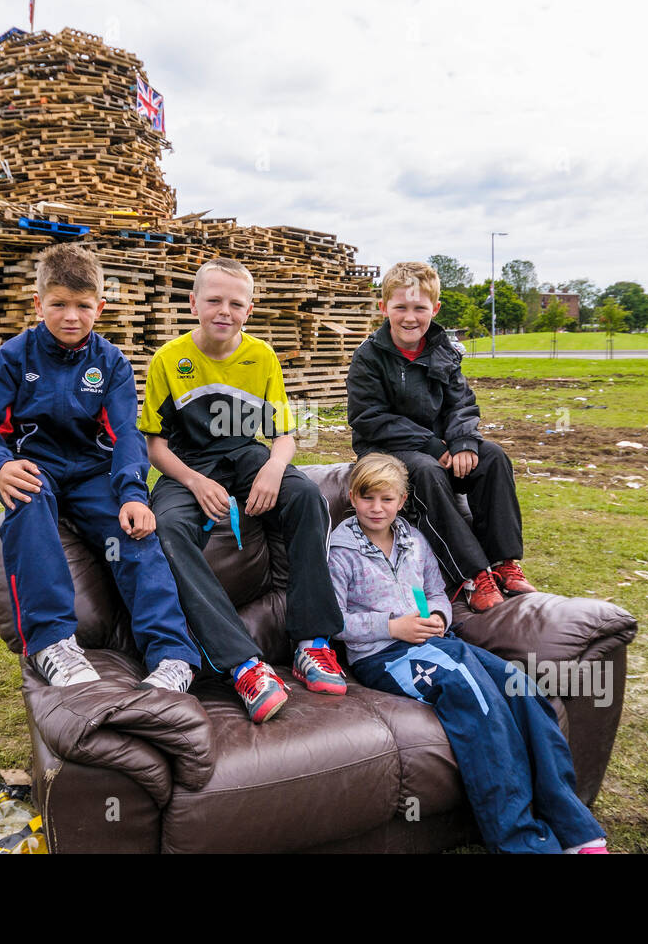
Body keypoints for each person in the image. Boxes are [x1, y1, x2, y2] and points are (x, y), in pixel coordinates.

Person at [328, 453, 608, 854]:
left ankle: (574, 825)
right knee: (475, 697)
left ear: (402, 500)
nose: (377, 508)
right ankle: (522, 843)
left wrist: (439, 615)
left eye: (386, 499)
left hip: (435, 643)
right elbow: (333, 619)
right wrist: (393, 627)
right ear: (353, 497)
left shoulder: (413, 539)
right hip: (384, 656)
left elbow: (436, 591)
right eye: (368, 498)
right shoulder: (340, 550)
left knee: (522, 687)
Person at [0, 243, 201, 692]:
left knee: (135, 531)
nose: (71, 316)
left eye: (83, 306)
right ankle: (53, 642)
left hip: (94, 472)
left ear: (100, 307)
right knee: (27, 503)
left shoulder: (111, 364)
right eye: (59, 305)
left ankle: (172, 656)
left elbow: (127, 433)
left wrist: (132, 494)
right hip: (35, 465)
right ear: (38, 304)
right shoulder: (13, 358)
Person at [140, 257, 346, 723]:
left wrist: (275, 465)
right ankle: (244, 664)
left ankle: (312, 643)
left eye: (235, 303)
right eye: (213, 300)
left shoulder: (262, 356)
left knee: (306, 496)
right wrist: (193, 481)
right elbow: (154, 444)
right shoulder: (169, 360)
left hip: (247, 454)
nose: (223, 311)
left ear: (249, 310)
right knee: (168, 527)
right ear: (193, 303)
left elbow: (284, 434)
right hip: (186, 463)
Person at [346, 260, 535, 612]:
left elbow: (461, 403)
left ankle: (504, 561)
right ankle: (472, 575)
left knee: (492, 456)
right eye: (400, 307)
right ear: (384, 307)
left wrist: (464, 442)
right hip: (385, 451)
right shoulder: (368, 357)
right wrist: (434, 446)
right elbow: (368, 418)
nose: (409, 317)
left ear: (435, 308)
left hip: (442, 446)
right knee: (426, 470)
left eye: (419, 308)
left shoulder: (444, 351)